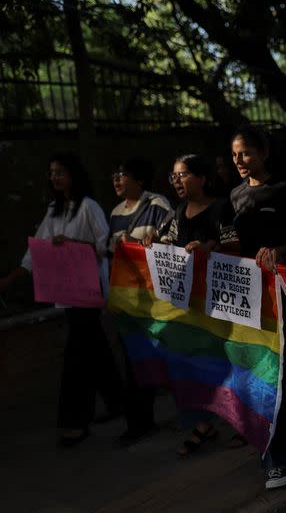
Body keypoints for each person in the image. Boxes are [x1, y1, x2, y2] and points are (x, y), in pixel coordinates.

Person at [0, 153, 124, 447]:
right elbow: (37, 250)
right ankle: (117, 400)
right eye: (51, 172)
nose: (54, 178)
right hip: (66, 293)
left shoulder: (88, 207)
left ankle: (75, 421)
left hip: (88, 291)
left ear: (73, 175)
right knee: (94, 348)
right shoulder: (55, 210)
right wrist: (12, 277)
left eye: (60, 172)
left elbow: (104, 244)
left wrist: (73, 245)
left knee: (76, 356)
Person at [227, 124, 286, 489]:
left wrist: (280, 252)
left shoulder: (285, 192)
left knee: (278, 371)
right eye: (234, 154)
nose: (239, 160)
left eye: (246, 152)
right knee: (267, 365)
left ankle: (279, 458)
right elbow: (233, 245)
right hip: (250, 296)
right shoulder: (233, 196)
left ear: (264, 154)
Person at [143, 153, 240, 456]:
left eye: (184, 174)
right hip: (188, 308)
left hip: (220, 305)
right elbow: (165, 245)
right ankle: (203, 423)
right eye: (174, 176)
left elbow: (237, 245)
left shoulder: (223, 208)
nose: (178, 182)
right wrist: (151, 241)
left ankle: (241, 421)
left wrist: (210, 248)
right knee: (188, 364)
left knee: (226, 364)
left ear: (203, 178)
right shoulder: (178, 213)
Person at [108, 156, 172, 447]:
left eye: (123, 174)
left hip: (155, 296)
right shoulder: (115, 213)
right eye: (115, 175)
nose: (117, 180)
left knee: (168, 353)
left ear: (140, 180)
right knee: (133, 357)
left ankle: (198, 413)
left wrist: (156, 242)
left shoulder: (157, 205)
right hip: (129, 298)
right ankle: (139, 421)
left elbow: (172, 239)